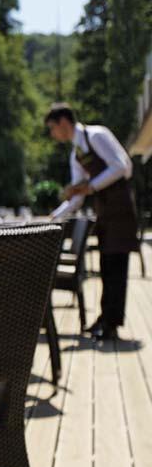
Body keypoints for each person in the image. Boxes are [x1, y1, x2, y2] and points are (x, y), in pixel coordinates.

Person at [46, 103, 139, 340]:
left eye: (52, 128)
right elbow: (77, 198)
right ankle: (105, 316)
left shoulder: (97, 135)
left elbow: (121, 166)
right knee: (107, 266)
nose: (52, 134)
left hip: (120, 208)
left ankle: (112, 322)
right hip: (104, 212)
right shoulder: (75, 154)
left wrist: (90, 187)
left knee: (117, 266)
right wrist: (55, 216)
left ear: (64, 123)